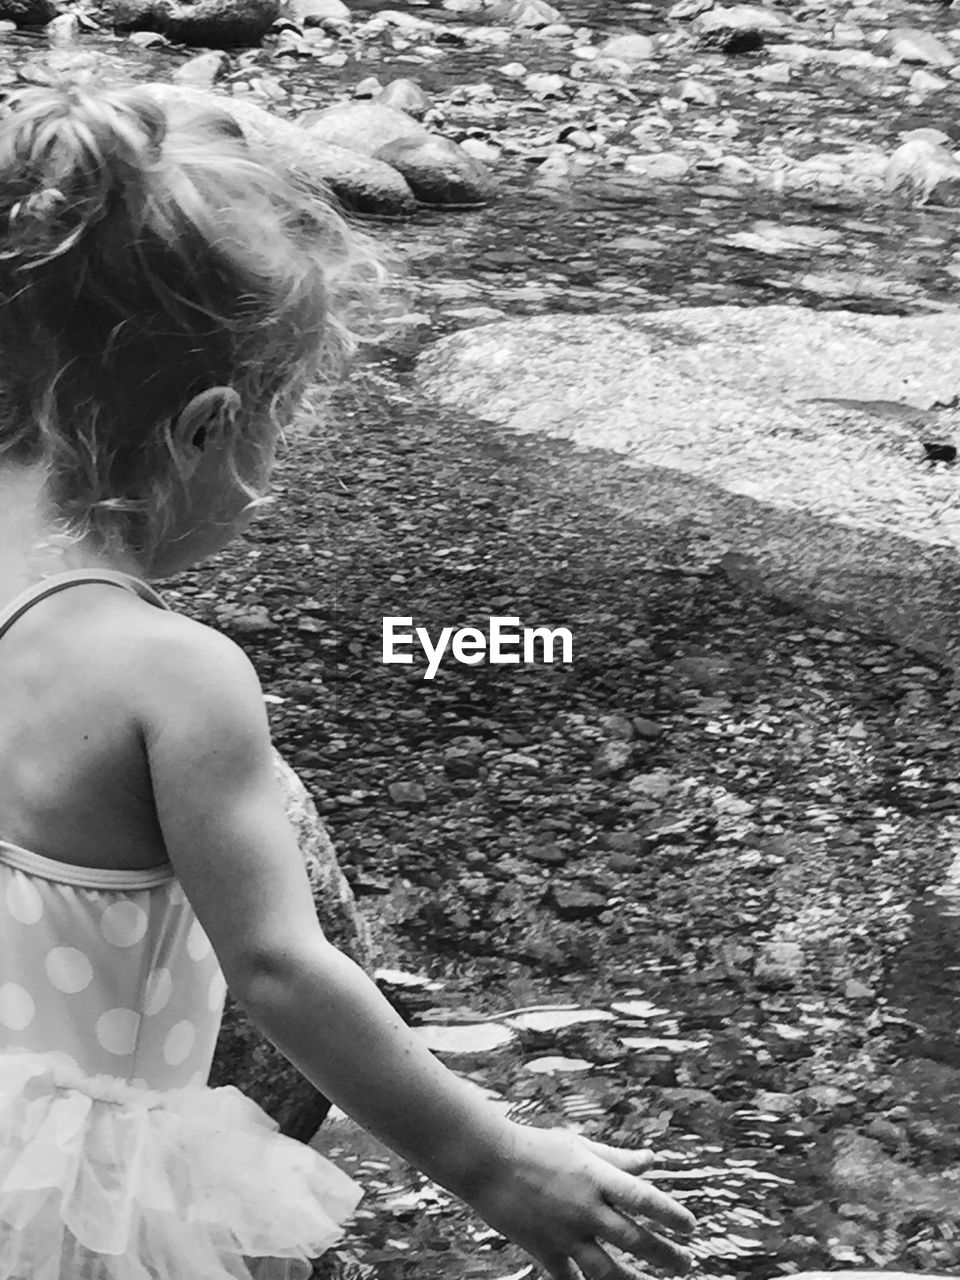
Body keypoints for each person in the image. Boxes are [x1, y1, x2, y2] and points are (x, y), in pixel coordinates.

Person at [0, 83, 697, 1280]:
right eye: (277, 436)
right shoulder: (175, 673)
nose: (265, 484)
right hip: (97, 1195)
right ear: (207, 428)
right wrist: (495, 1160)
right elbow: (281, 968)